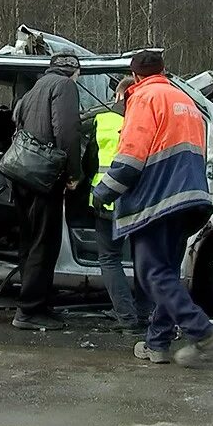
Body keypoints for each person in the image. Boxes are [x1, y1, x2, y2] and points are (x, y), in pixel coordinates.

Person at [93, 50, 213, 367]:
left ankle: (201, 329)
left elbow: (132, 155)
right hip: (190, 198)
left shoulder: (144, 98)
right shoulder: (184, 101)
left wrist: (104, 190)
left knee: (152, 273)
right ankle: (158, 343)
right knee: (166, 273)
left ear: (135, 77)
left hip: (157, 200)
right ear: (162, 71)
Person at [10, 53, 83, 330]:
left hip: (22, 174)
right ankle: (29, 311)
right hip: (44, 177)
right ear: (73, 71)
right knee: (45, 242)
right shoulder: (64, 86)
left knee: (29, 241)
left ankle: (36, 303)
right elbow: (67, 132)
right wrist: (74, 173)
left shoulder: (34, 89)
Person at [89, 77, 149, 333]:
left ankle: (126, 316)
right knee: (142, 261)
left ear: (117, 96)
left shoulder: (102, 120)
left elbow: (89, 159)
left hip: (106, 201)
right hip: (138, 202)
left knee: (109, 259)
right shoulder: (144, 122)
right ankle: (145, 315)